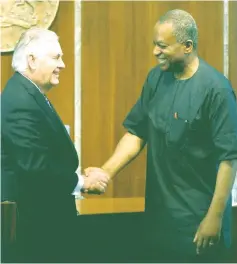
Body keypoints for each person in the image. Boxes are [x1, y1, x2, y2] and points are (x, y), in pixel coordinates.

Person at [85, 9, 237, 263]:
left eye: (162, 45)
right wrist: (105, 172)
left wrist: (215, 217)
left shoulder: (217, 90)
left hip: (198, 224)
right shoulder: (156, 79)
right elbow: (136, 133)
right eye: (154, 44)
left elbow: (228, 158)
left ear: (187, 46)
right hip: (159, 223)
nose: (155, 51)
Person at [1, 27, 109, 263]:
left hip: (45, 224)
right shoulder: (20, 100)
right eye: (56, 57)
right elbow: (35, 166)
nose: (63, 65)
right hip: (35, 230)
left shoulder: (29, 94)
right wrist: (82, 182)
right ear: (31, 60)